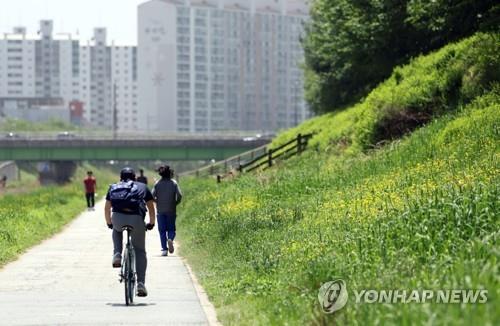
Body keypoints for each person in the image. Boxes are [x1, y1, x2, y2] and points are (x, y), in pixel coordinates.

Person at [104, 167, 156, 297]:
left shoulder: (114, 187)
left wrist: (109, 223)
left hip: (117, 218)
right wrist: (151, 223)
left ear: (120, 177)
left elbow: (107, 208)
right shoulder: (142, 186)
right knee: (139, 250)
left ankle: (117, 254)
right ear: (135, 177)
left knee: (116, 230)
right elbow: (151, 207)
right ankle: (140, 284)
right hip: (136, 219)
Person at [152, 165, 182, 256]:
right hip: (171, 209)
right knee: (171, 229)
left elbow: (152, 195)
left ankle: (164, 250)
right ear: (170, 173)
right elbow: (180, 195)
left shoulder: (157, 184)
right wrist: (175, 203)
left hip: (160, 210)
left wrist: (157, 202)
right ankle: (171, 239)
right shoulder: (174, 183)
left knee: (162, 230)